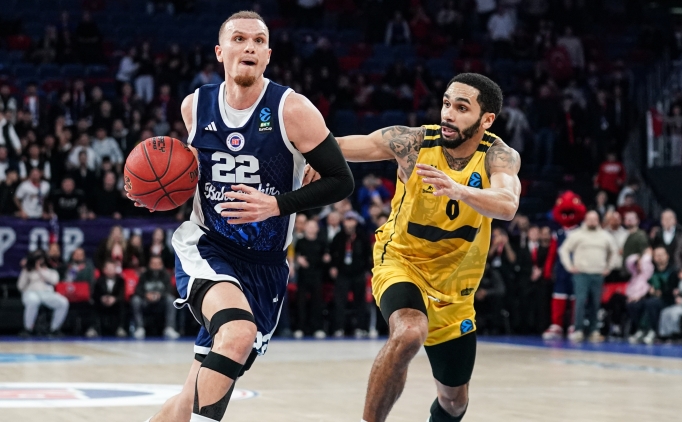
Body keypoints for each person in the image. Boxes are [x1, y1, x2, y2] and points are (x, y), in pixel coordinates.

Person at [131, 11, 354, 422]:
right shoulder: (195, 106)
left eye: (258, 40)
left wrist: (277, 204)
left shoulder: (292, 110)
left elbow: (342, 181)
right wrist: (152, 193)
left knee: (191, 394)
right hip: (208, 247)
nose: (249, 46)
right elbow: (185, 172)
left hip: (266, 265)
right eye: (238, 38)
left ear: (268, 54)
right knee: (237, 334)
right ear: (221, 51)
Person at [335, 73, 521, 422]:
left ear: (486, 120)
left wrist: (460, 190)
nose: (448, 113)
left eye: (462, 108)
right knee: (410, 332)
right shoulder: (414, 143)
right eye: (447, 103)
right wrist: (309, 155)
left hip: (454, 291)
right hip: (401, 262)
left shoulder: (499, 156)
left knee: (454, 403)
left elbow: (507, 204)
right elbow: (341, 144)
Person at [558, 211, 618, 343]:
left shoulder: (605, 236)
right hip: (581, 274)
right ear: (585, 220)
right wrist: (569, 266)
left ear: (598, 220)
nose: (592, 221)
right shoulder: (577, 234)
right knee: (580, 302)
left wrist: (609, 267)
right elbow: (564, 250)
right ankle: (578, 330)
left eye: (594, 219)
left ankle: (594, 330)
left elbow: (614, 251)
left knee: (595, 303)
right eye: (589, 219)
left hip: (598, 274)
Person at [329, 210, 372, 338]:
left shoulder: (362, 236)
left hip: (358, 273)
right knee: (339, 301)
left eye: (352, 220)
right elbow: (332, 253)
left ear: (356, 222)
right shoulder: (339, 237)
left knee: (360, 301)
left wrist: (366, 270)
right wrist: (333, 266)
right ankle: (339, 328)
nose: (349, 223)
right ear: (344, 222)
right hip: (343, 273)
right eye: (347, 220)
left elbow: (368, 255)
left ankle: (361, 327)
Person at [17, 251, 69, 337]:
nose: (39, 262)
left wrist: (39, 270)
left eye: (41, 260)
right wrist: (26, 270)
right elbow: (20, 286)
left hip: (47, 294)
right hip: (31, 293)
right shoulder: (28, 271)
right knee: (34, 301)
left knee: (63, 302)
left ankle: (54, 329)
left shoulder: (51, 272)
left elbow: (54, 281)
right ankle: (28, 329)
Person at [293, 219, 329, 339]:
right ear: (305, 227)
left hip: (317, 276)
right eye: (309, 226)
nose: (311, 228)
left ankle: (317, 328)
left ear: (317, 229)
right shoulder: (300, 242)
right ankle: (300, 328)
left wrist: (325, 259)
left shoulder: (322, 242)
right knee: (301, 302)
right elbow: (296, 256)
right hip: (303, 276)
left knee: (317, 302)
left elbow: (325, 258)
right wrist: (298, 260)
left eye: (314, 226)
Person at [131, 256, 179, 340]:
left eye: (158, 264)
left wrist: (160, 295)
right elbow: (138, 290)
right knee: (135, 300)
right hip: (146, 301)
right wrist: (146, 295)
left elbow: (170, 290)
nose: (156, 266)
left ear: (162, 265)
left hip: (161, 301)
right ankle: (139, 328)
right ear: (149, 264)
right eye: (153, 263)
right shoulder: (144, 275)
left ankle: (169, 328)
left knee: (171, 300)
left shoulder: (166, 275)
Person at [87, 260, 127, 338]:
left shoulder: (121, 281)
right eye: (108, 269)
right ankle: (94, 328)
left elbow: (122, 294)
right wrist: (102, 298)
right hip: (102, 303)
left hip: (116, 303)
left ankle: (120, 328)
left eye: (112, 268)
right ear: (104, 270)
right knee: (93, 304)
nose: (110, 271)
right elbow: (95, 294)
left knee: (123, 305)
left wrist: (115, 299)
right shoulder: (99, 280)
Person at [659, 270, 682, 339]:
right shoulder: (679, 282)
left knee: (674, 314)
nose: (679, 274)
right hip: (679, 306)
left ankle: (676, 333)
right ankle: (664, 334)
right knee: (665, 312)